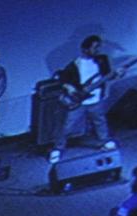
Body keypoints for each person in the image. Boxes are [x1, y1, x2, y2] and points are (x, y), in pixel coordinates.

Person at [49, 35, 118, 165]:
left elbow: (109, 76)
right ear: (85, 49)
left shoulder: (102, 61)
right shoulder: (74, 65)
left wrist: (118, 74)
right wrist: (69, 87)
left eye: (99, 47)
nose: (98, 50)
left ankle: (105, 141)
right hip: (78, 102)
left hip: (97, 99)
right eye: (95, 47)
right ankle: (57, 149)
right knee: (67, 126)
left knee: (100, 121)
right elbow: (62, 79)